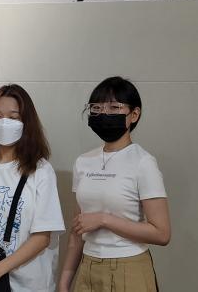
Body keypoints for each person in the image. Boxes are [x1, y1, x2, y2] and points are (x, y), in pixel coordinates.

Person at [58, 77, 170, 292]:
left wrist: (104, 219)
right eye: (97, 107)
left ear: (134, 114)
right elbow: (78, 229)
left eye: (114, 107)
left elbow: (162, 233)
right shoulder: (83, 162)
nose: (104, 113)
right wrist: (64, 282)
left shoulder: (143, 162)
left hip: (130, 267)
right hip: (88, 268)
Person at [0, 84, 64, 292]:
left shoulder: (41, 170)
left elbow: (42, 238)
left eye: (13, 117)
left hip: (29, 286)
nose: (4, 122)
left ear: (26, 122)